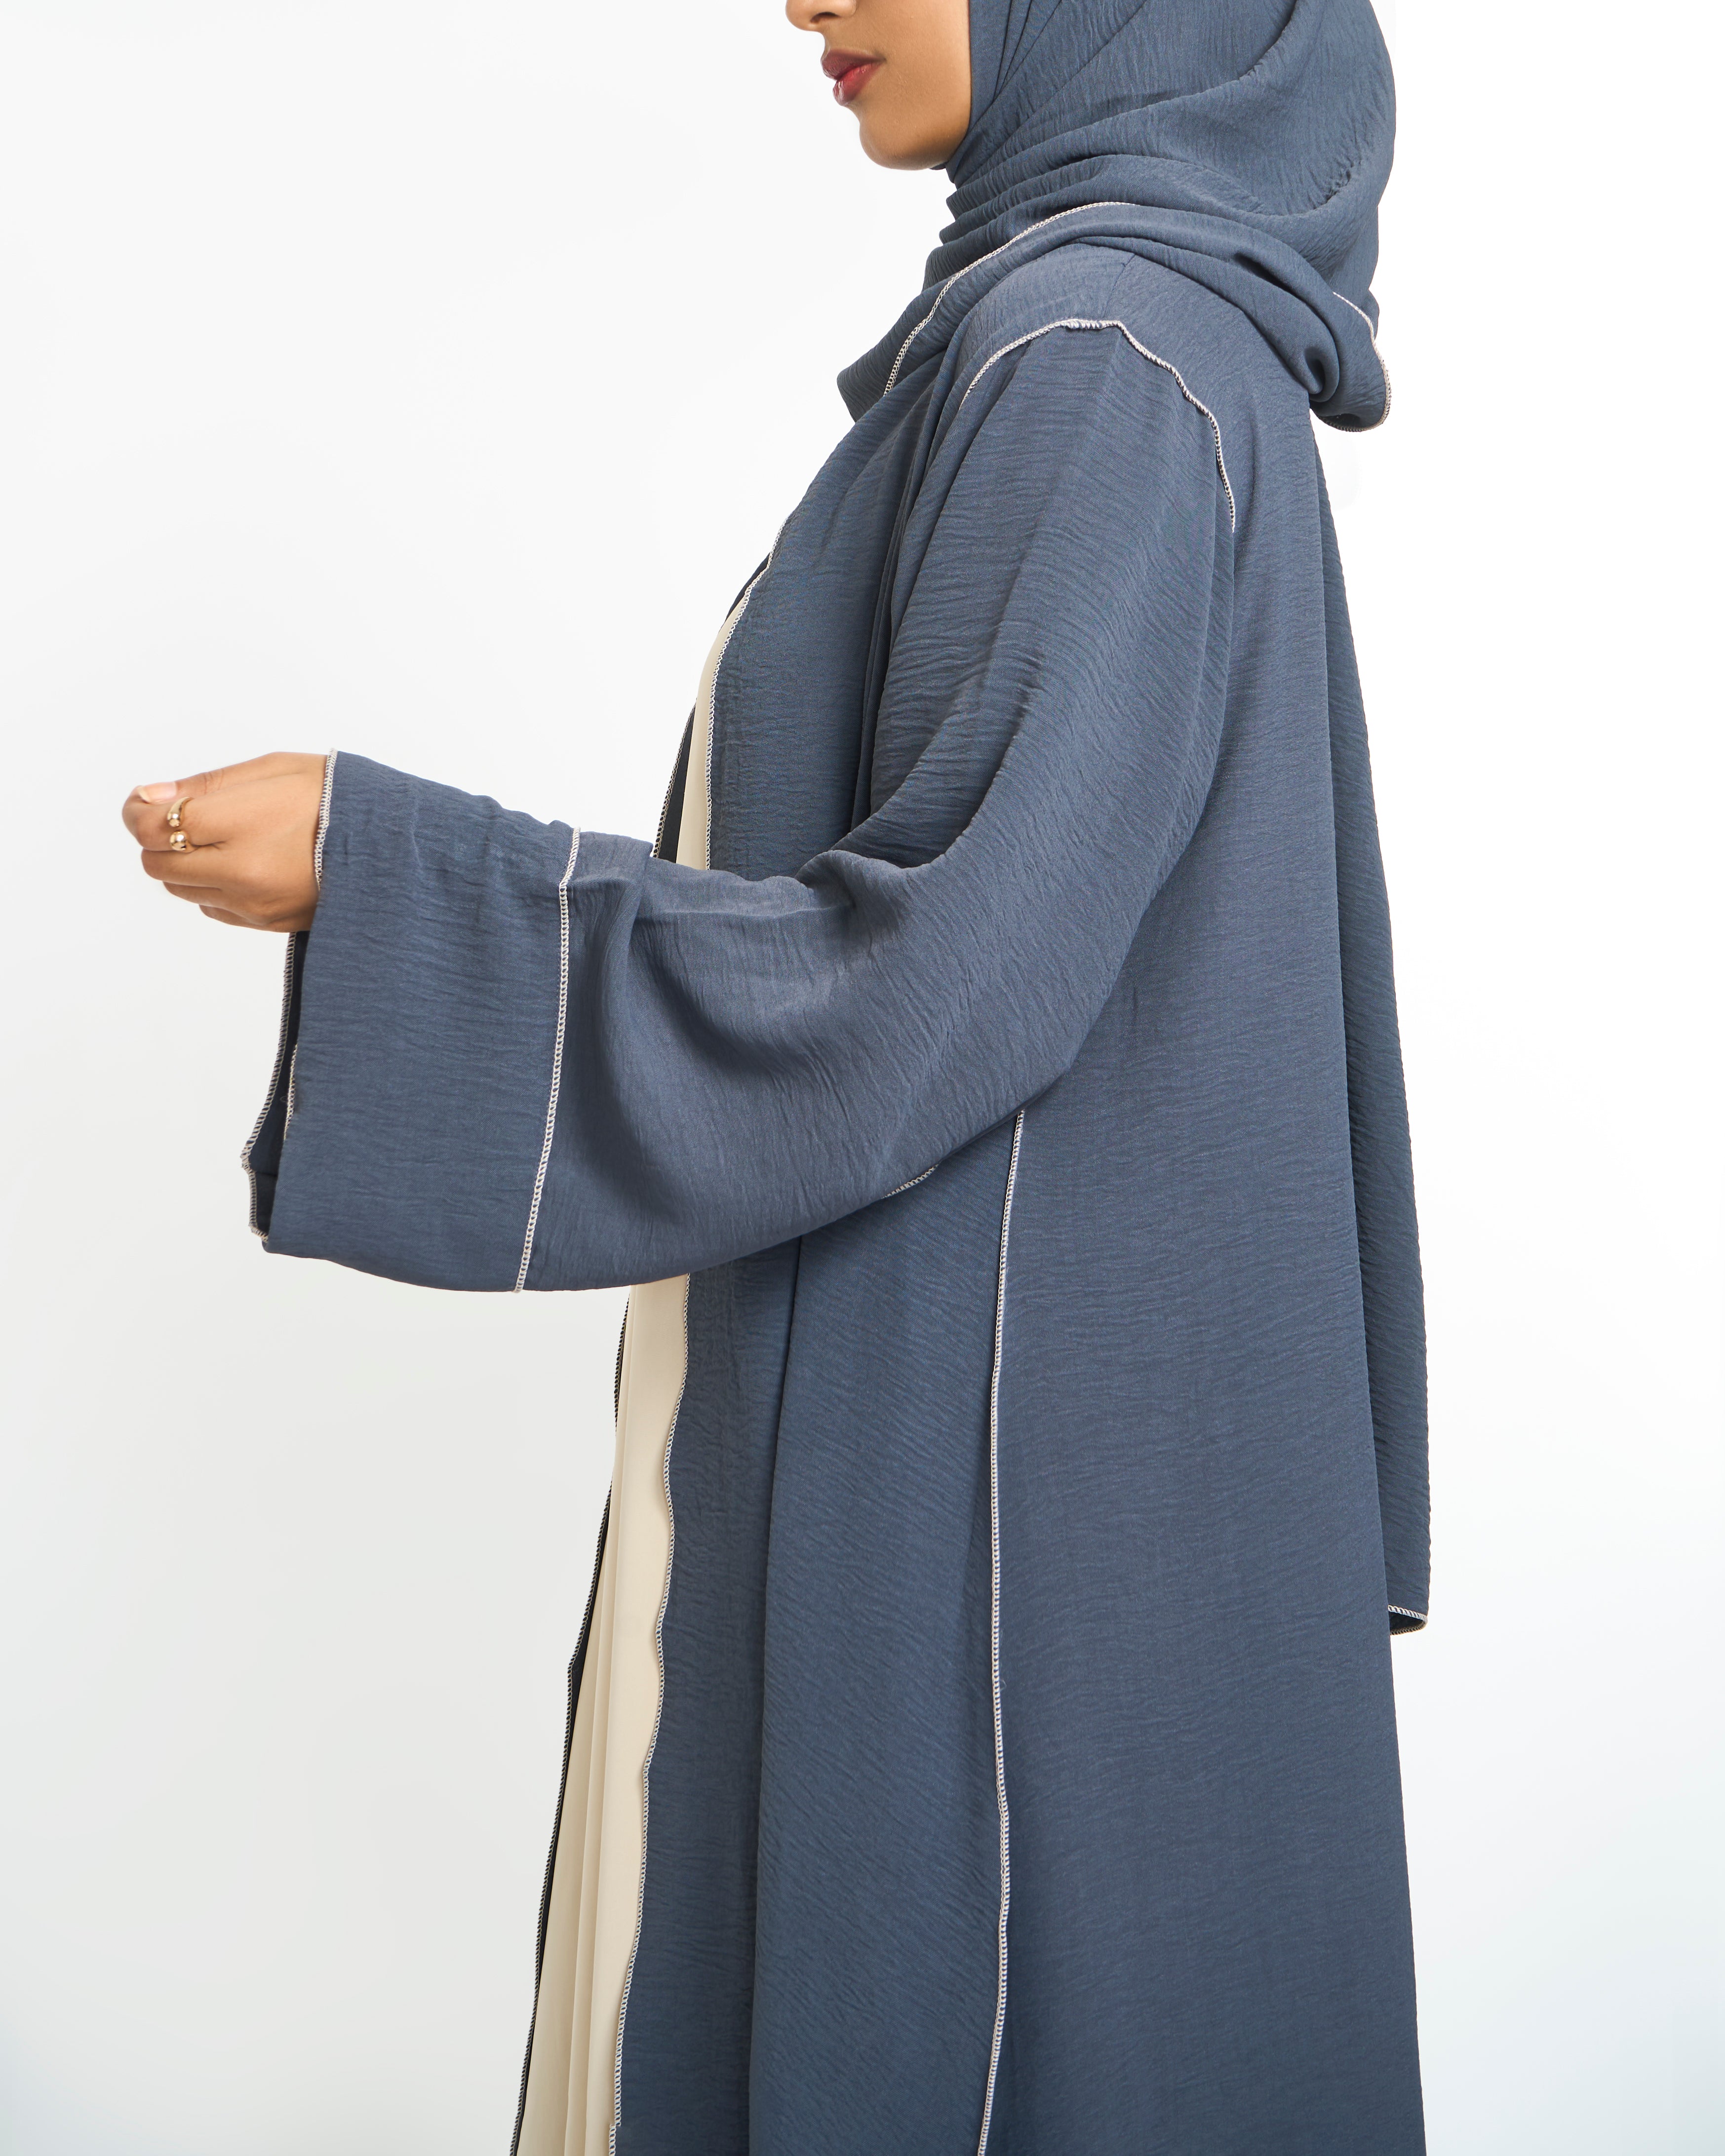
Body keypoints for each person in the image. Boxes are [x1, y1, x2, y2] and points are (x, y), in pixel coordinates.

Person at [120, 0, 1428, 2148]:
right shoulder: (1134, 343)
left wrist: (395, 874)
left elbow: (925, 984)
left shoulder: (1097, 360)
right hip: (1075, 1481)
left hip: (981, 1516)